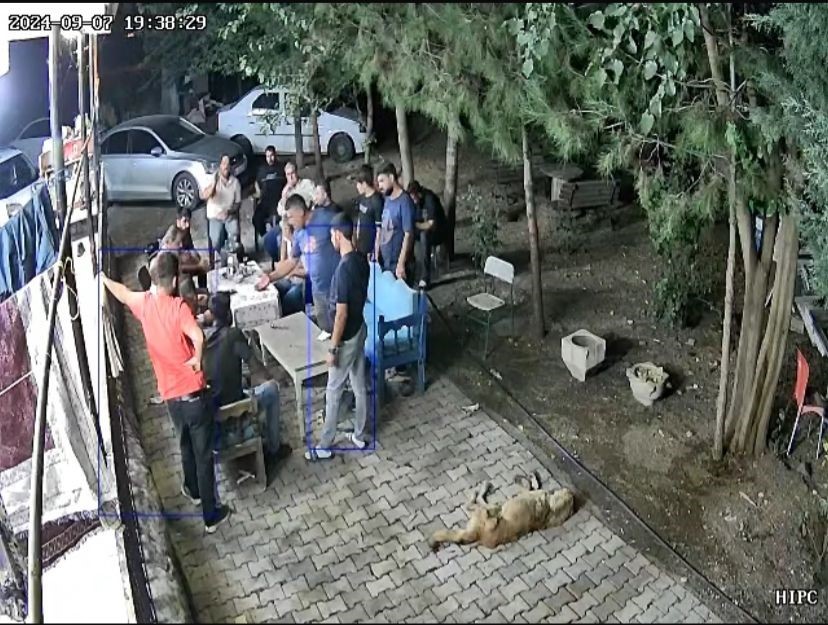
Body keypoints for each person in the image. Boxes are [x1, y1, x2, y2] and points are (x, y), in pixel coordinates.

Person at [101, 253, 231, 533]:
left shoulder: (144, 304)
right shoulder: (178, 308)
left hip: (171, 396)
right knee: (203, 455)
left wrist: (102, 280)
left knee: (183, 442)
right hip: (194, 395)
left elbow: (123, 293)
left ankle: (192, 489)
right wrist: (197, 358)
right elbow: (198, 335)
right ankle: (211, 514)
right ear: (174, 280)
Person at [305, 213, 369, 461]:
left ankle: (324, 444)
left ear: (338, 235)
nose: (330, 238)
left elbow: (341, 314)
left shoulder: (344, 270)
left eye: (332, 234)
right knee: (359, 385)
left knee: (333, 391)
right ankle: (360, 435)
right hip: (360, 328)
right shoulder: (361, 260)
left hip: (347, 335)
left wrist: (333, 348)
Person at [203, 293, 291, 473]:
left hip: (213, 420)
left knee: (243, 381)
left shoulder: (202, 339)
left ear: (210, 315)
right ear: (230, 315)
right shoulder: (234, 335)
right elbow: (256, 369)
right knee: (272, 389)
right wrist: (272, 377)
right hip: (234, 419)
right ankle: (274, 449)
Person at [256, 194, 340, 332]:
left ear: (301, 212)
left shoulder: (325, 218)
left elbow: (346, 230)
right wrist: (270, 277)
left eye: (290, 216)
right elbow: (291, 261)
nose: (289, 221)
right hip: (318, 290)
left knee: (341, 328)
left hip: (335, 286)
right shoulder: (299, 233)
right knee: (326, 330)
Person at [376, 162, 416, 283]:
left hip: (398, 267)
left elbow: (408, 234)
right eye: (378, 182)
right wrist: (377, 251)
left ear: (392, 178)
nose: (380, 186)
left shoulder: (404, 201)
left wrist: (401, 263)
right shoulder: (387, 199)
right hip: (386, 263)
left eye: (382, 181)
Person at [408, 180, 448, 288]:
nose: (413, 201)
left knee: (424, 236)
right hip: (421, 229)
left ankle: (425, 277)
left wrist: (415, 226)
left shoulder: (429, 199)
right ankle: (409, 271)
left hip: (437, 232)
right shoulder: (413, 202)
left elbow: (431, 224)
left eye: (414, 198)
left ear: (419, 194)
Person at [202, 154, 242, 259]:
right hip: (215, 216)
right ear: (220, 165)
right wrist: (214, 184)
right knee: (215, 241)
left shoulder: (235, 182)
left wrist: (228, 212)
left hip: (229, 215)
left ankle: (230, 258)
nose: (226, 166)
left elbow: (238, 203)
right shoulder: (212, 178)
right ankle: (224, 256)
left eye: (228, 164)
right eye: (224, 163)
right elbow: (205, 196)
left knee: (234, 235)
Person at [252, 146, 286, 249]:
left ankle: (279, 244)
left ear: (275, 155)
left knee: (277, 222)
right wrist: (257, 192)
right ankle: (267, 238)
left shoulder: (282, 168)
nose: (270, 158)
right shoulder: (261, 170)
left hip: (279, 201)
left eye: (271, 156)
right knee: (256, 219)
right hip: (265, 202)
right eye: (267, 156)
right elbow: (257, 185)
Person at [354, 165, 383, 258]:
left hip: (371, 249)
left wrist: (376, 251)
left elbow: (379, 229)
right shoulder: (361, 198)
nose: (357, 187)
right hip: (360, 246)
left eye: (358, 184)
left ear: (364, 184)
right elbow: (360, 218)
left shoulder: (377, 201)